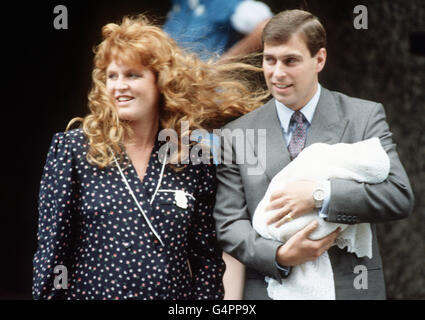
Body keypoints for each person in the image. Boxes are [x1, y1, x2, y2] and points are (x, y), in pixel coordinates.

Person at [32, 15, 266, 300]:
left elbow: (207, 262)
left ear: (161, 82)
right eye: (112, 76)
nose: (119, 86)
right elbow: (51, 257)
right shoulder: (74, 150)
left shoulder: (191, 159)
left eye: (132, 75)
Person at [214, 9, 414, 300]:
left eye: (290, 60)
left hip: (350, 287)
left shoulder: (362, 116)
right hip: (270, 288)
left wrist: (321, 195)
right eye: (270, 59)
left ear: (319, 59)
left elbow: (398, 195)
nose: (277, 72)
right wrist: (280, 254)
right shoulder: (235, 133)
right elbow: (229, 223)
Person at [163, 0, 273, 60]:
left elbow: (268, 27)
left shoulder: (222, 3)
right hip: (179, 89)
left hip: (209, 91)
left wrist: (225, 62)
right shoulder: (179, 4)